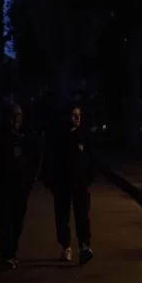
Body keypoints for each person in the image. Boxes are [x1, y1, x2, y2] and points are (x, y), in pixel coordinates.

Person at [43, 105, 95, 265]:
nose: (77, 118)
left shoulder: (84, 136)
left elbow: (91, 159)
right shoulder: (58, 138)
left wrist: (88, 179)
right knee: (62, 218)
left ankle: (84, 246)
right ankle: (66, 246)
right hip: (62, 185)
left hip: (80, 185)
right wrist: (52, 183)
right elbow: (49, 161)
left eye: (79, 114)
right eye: (73, 115)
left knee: (82, 216)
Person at [0, 104, 39, 268]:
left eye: (19, 115)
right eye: (14, 115)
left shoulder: (25, 137)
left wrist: (30, 180)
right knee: (5, 222)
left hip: (20, 189)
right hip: (3, 189)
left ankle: (12, 252)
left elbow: (33, 159)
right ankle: (6, 255)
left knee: (17, 222)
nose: (17, 119)